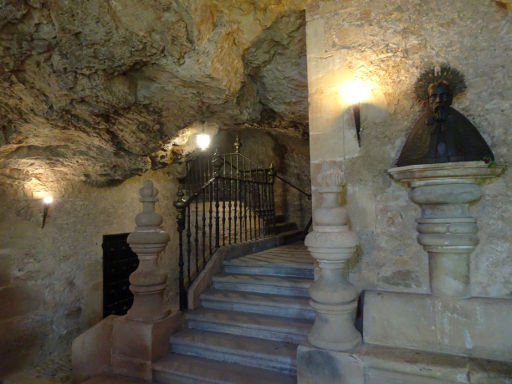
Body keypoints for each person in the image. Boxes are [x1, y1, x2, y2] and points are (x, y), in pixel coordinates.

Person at [396, 67, 494, 167]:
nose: (438, 100)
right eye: (434, 96)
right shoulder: (421, 127)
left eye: (444, 95)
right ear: (428, 100)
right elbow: (406, 159)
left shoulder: (462, 125)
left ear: (451, 99)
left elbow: (485, 157)